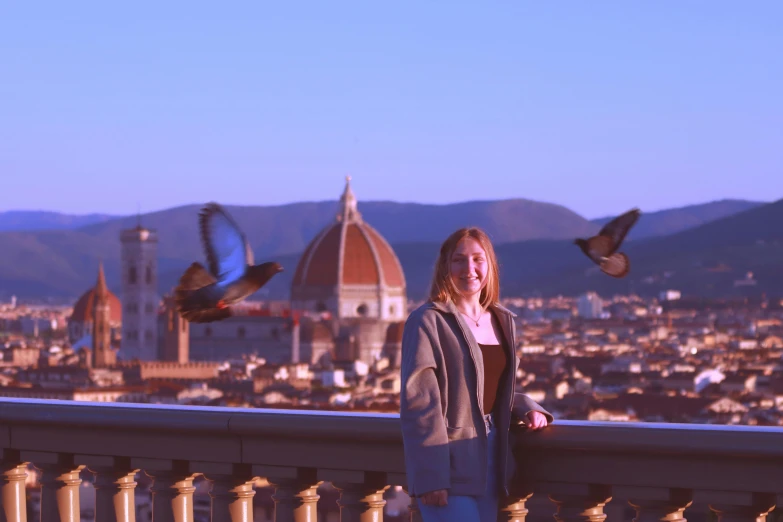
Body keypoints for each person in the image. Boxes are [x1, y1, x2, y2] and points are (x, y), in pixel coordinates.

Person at [400, 227, 553, 522]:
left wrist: (528, 407)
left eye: (477, 260)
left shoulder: (502, 320)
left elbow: (487, 389)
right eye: (458, 260)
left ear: (490, 266)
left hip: (493, 461)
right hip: (449, 462)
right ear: (445, 266)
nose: (468, 269)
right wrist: (432, 476)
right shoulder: (427, 321)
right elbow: (420, 404)